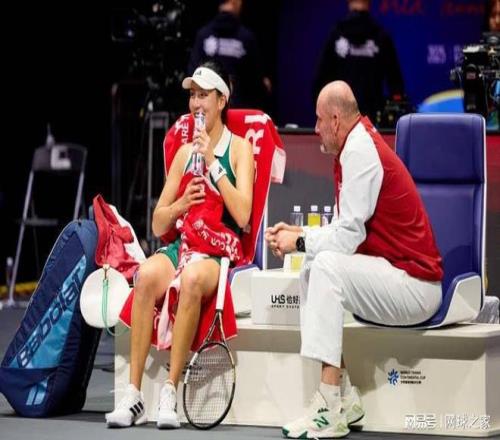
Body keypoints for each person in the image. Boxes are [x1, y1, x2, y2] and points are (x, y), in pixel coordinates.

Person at [265, 81, 443, 439]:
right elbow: (343, 230)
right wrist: (300, 233)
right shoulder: (352, 147)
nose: (315, 128)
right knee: (315, 267)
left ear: (335, 120)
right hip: (394, 274)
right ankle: (344, 396)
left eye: (319, 120)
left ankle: (328, 406)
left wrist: (298, 240)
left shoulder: (360, 152)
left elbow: (347, 239)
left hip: (416, 286)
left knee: (325, 265)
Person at [105, 60, 254, 428]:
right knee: (145, 275)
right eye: (192, 96)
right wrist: (181, 205)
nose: (196, 103)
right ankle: (134, 394)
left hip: (217, 252)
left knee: (190, 280)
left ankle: (170, 390)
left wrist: (214, 164)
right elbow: (158, 222)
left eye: (204, 95)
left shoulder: (240, 150)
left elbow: (243, 215)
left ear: (222, 100)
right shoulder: (185, 153)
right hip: (184, 246)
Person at [313, 0, 405, 123]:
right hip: (372, 120)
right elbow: (396, 86)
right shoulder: (381, 36)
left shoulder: (336, 35)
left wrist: (326, 119)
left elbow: (320, 84)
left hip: (339, 121)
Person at [187, 0, 271, 109]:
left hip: (207, 109)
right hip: (239, 109)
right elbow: (256, 81)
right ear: (235, 2)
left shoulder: (203, 35)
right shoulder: (246, 38)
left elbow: (193, 73)